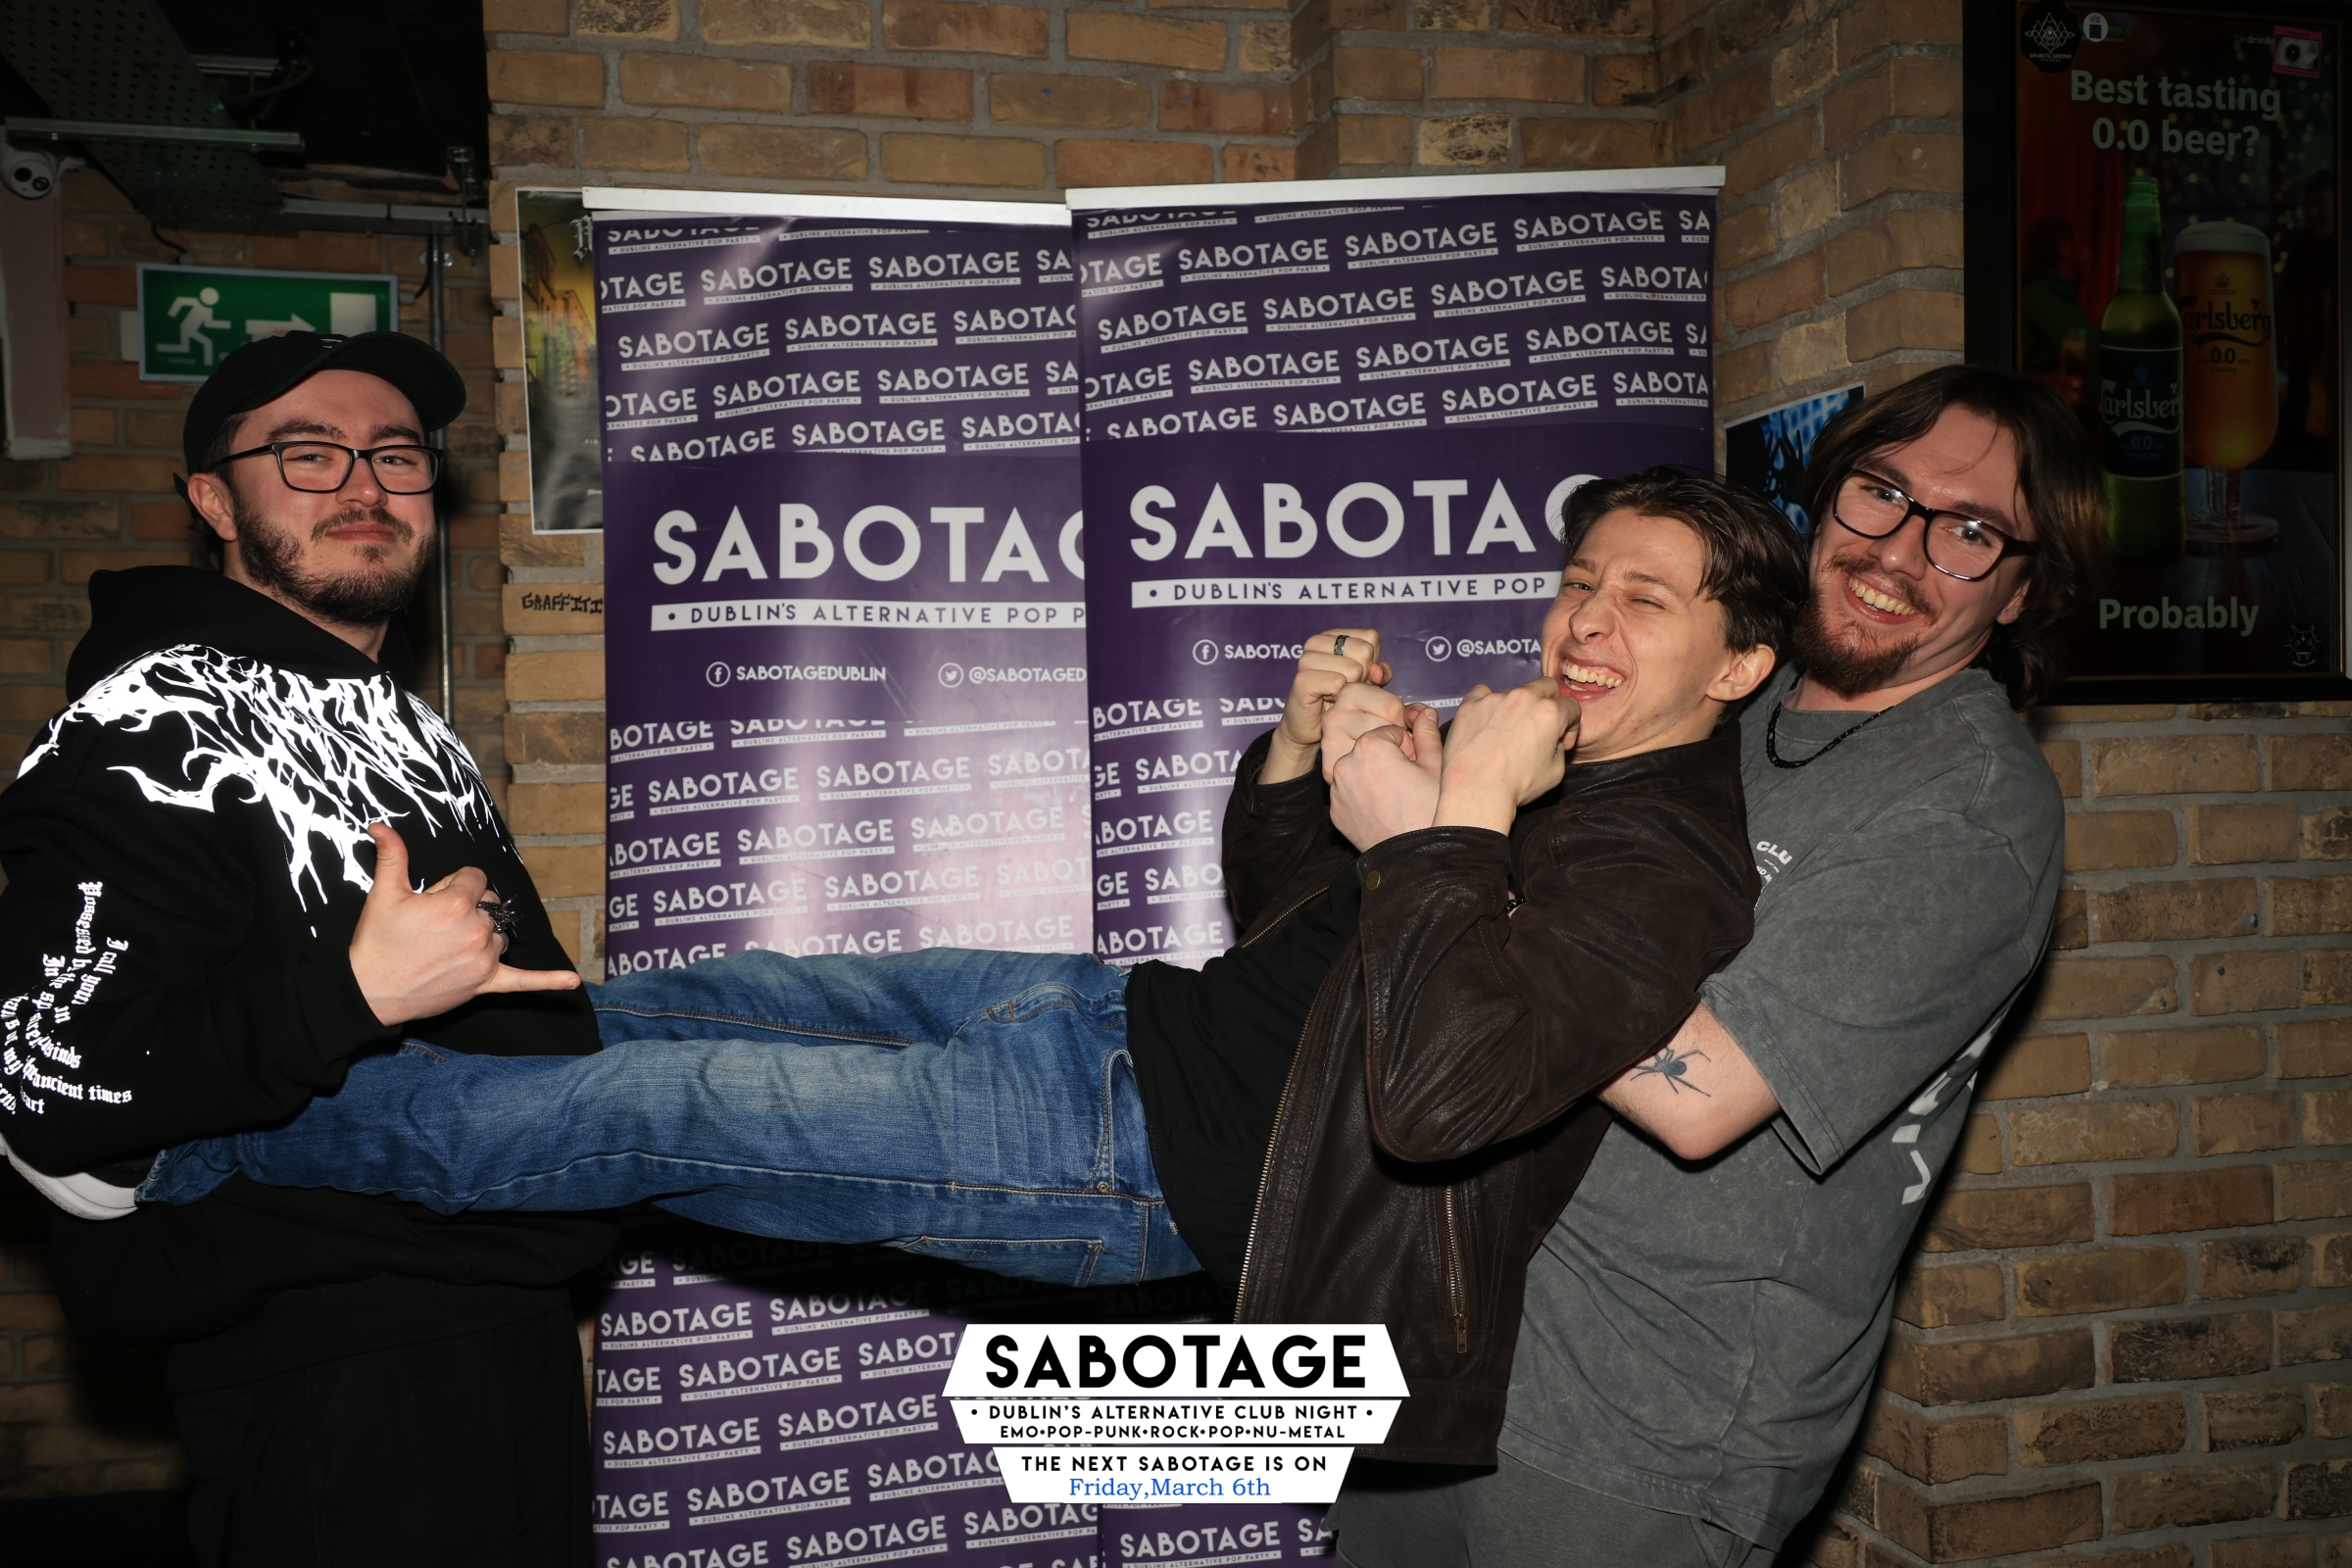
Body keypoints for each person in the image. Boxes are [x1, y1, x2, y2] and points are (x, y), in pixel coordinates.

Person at [137, 470, 1807, 1467]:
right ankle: (282, 1045)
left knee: (653, 1107)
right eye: (1579, 581)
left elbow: (1443, 1093)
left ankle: (173, 1128)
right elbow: (1292, 919)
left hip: (1124, 1159)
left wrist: (1449, 829)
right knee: (659, 1005)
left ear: (1738, 663)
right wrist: (1308, 764)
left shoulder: (1664, 866)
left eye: (1646, 600)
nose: (1586, 618)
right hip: (1094, 1018)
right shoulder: (1551, 769)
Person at [1324, 365, 2103, 1567]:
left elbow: (1705, 1096)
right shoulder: (1726, 688)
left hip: (1641, 1428)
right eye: (1881, 491)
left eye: (1968, 531)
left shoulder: (1972, 807)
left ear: (2021, 589)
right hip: (1444, 1350)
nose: (1898, 548)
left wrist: (1433, 846)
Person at [0, 331, 611, 1564]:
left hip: (511, 1323)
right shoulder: (144, 723)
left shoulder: (408, 729)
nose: (364, 484)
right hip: (333, 1376)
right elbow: (51, 1076)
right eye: (308, 454)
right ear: (215, 501)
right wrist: (350, 992)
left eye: (395, 454)